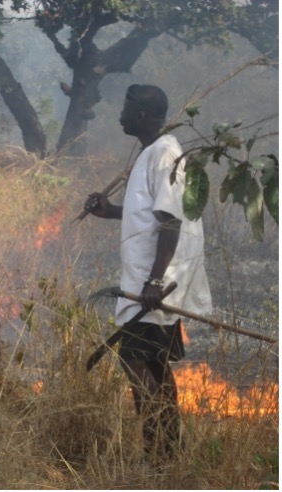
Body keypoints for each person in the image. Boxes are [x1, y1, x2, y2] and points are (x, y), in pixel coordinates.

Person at [84, 84, 212, 461]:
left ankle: (159, 452)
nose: (120, 116)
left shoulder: (165, 154)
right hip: (146, 279)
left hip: (155, 282)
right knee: (153, 363)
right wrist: (110, 211)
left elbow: (170, 221)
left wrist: (156, 280)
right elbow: (150, 211)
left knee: (135, 360)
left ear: (141, 115)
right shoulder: (151, 152)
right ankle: (168, 451)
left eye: (126, 111)